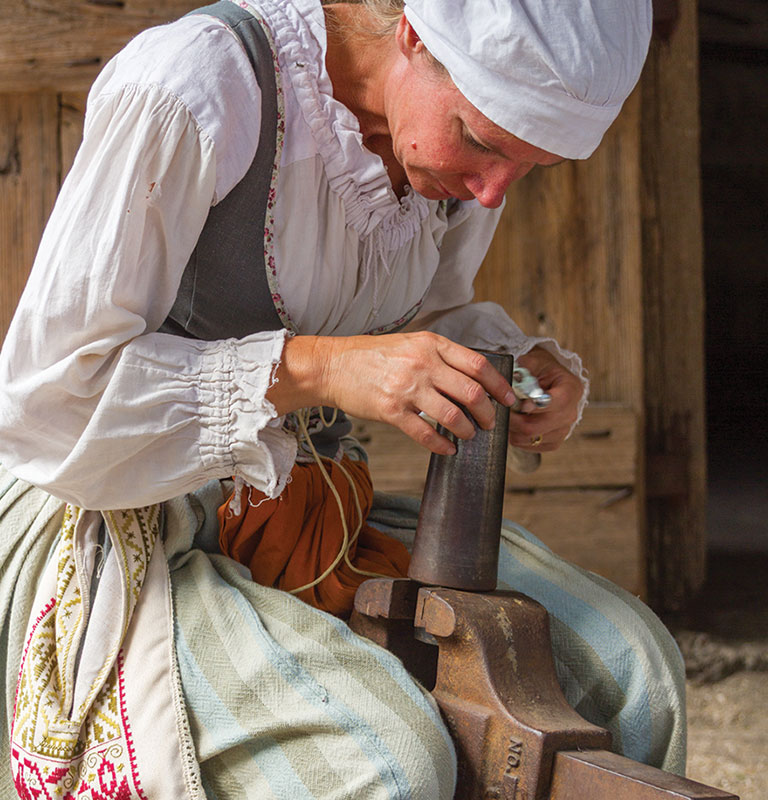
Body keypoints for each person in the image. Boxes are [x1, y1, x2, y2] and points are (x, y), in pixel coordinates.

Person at [0, 0, 686, 798]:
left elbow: (418, 313)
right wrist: (322, 370)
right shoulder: (196, 88)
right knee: (385, 761)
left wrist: (514, 372)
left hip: (314, 514)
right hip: (119, 517)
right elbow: (45, 398)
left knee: (636, 674)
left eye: (531, 165)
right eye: (482, 140)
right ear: (415, 35)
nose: (494, 191)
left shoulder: (440, 159)